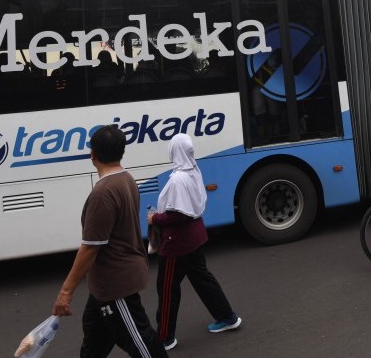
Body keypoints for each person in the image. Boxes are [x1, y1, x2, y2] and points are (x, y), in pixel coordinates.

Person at [52, 125, 168, 358]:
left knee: (141, 343)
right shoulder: (126, 179)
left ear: (92, 155)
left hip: (115, 284)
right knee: (94, 342)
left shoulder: (102, 193)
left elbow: (90, 248)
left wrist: (66, 291)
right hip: (104, 285)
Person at [148, 133, 241, 351]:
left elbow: (179, 215)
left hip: (178, 243)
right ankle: (227, 317)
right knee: (202, 279)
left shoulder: (178, 179)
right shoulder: (192, 169)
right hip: (195, 237)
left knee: (168, 288)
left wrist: (155, 218)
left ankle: (165, 337)